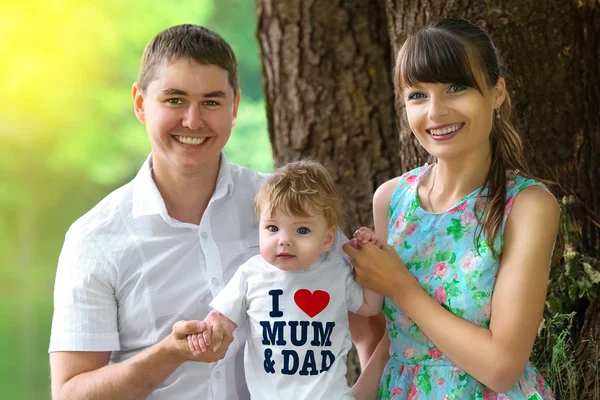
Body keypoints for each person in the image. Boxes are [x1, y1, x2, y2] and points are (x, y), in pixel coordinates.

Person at [345, 18, 559, 400]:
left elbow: (502, 368)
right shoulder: (390, 199)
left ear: (496, 92)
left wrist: (400, 286)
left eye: (456, 88)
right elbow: (398, 343)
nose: (435, 112)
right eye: (417, 95)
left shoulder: (527, 206)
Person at [186, 160, 383, 399]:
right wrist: (208, 331)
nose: (284, 240)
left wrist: (371, 258)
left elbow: (371, 306)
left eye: (301, 230)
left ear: (327, 238)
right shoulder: (251, 274)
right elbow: (222, 318)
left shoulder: (337, 272)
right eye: (272, 228)